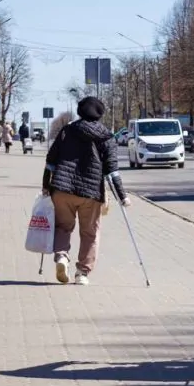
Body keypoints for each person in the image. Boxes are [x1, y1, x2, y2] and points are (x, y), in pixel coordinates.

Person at [42, 97, 130, 285]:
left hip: (62, 189)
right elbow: (112, 170)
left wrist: (45, 185)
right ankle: (82, 273)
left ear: (80, 112)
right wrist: (122, 196)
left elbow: (51, 160)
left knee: (63, 226)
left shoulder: (67, 131)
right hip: (90, 193)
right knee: (90, 232)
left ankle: (61, 257)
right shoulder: (106, 136)